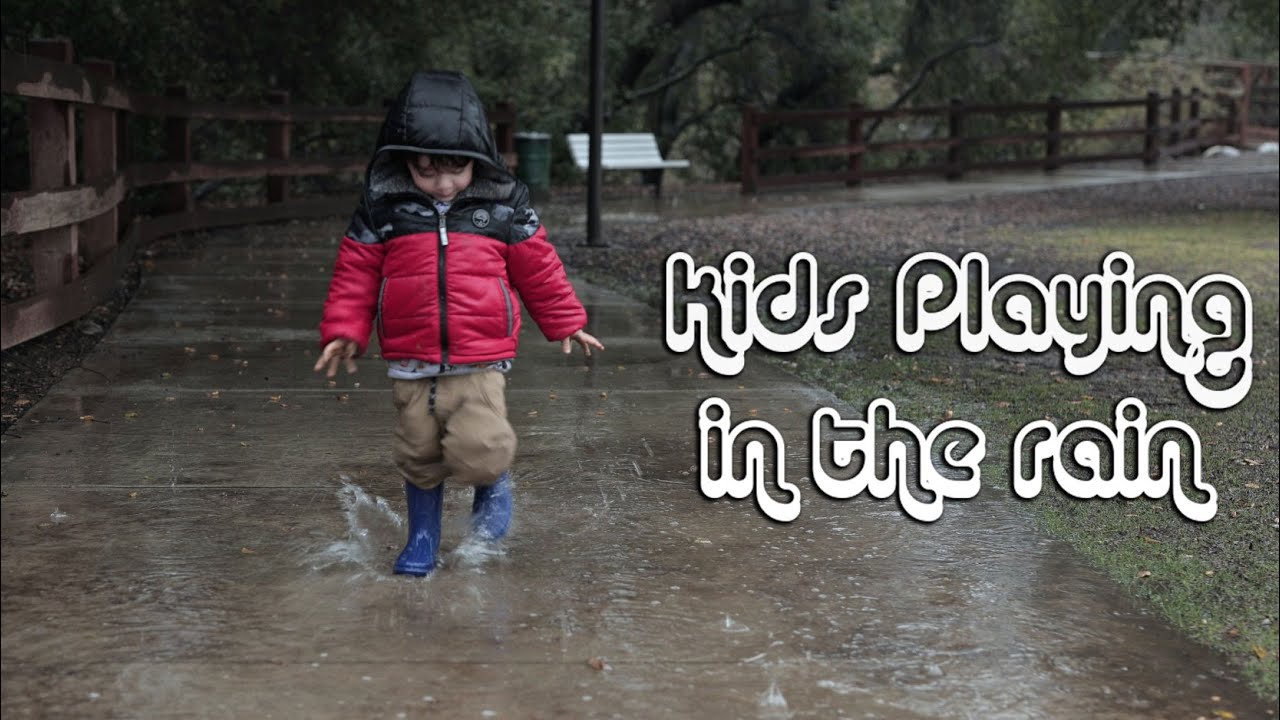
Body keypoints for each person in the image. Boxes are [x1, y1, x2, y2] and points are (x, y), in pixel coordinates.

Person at [314, 71, 603, 576]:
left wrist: (566, 321)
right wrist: (345, 329)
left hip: (480, 354)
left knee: (481, 447)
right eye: (427, 172)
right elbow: (356, 269)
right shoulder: (385, 208)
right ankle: (423, 536)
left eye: (456, 170)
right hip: (410, 355)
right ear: (403, 161)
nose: (444, 183)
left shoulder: (502, 205)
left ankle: (494, 484)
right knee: (418, 451)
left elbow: (538, 266)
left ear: (479, 159)